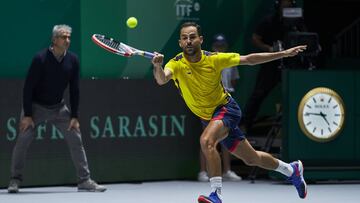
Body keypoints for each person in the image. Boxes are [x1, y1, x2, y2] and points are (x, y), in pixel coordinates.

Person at [151, 22, 307, 203]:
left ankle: (216, 194)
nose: (189, 41)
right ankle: (291, 170)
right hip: (209, 117)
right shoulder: (175, 63)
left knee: (206, 141)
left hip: (226, 110)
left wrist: (282, 54)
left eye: (192, 37)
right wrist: (157, 66)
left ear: (200, 40)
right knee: (251, 158)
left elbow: (249, 59)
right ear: (180, 43)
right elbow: (162, 79)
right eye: (185, 38)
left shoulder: (214, 59)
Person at [7, 24, 106, 193]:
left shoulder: (73, 60)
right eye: (63, 37)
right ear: (54, 39)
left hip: (59, 108)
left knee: (76, 140)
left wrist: (74, 116)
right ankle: (15, 180)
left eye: (69, 37)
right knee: (23, 141)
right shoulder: (40, 58)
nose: (67, 40)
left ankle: (84, 180)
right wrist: (28, 115)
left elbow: (74, 89)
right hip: (35, 107)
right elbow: (28, 87)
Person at [241, 0, 307, 132]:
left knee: (299, 94)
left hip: (292, 63)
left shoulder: (298, 22)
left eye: (289, 5)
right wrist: (270, 49)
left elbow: (306, 38)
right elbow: (255, 38)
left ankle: (301, 128)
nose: (286, 7)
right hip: (271, 63)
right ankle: (244, 125)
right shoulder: (269, 21)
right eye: (284, 5)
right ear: (278, 5)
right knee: (259, 93)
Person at [198, 34, 241, 182]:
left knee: (225, 140)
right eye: (217, 46)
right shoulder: (207, 61)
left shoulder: (230, 61)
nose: (220, 48)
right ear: (213, 46)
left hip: (226, 104)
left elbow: (234, 81)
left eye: (222, 46)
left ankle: (227, 171)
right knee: (206, 139)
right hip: (209, 104)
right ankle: (203, 172)